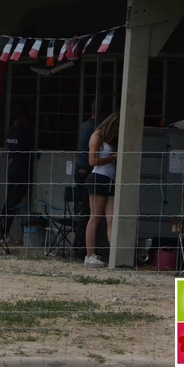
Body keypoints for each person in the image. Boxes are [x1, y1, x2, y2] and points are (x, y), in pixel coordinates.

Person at [73, 97, 111, 260]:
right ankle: (81, 249)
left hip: (83, 170)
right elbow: (92, 158)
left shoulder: (85, 125)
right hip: (90, 171)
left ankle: (83, 248)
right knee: (88, 214)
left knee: (88, 213)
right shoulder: (96, 130)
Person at [84, 112, 120, 268]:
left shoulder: (110, 139)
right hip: (99, 177)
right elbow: (92, 161)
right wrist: (112, 158)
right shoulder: (97, 136)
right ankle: (89, 255)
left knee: (111, 219)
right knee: (95, 217)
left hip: (110, 180)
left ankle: (115, 254)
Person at [3, 105, 33, 245]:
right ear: (21, 118)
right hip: (22, 170)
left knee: (9, 201)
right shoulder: (24, 133)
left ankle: (4, 231)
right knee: (14, 203)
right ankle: (6, 232)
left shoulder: (10, 133)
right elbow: (30, 151)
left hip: (12, 168)